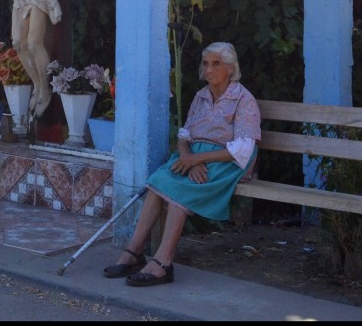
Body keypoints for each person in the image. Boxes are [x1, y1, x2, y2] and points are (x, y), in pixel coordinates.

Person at [102, 41, 261, 286]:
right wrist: (188, 157)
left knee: (179, 194)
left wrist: (196, 159)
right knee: (158, 183)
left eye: (216, 64)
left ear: (230, 68)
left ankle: (163, 264)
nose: (208, 70)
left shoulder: (243, 99)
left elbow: (242, 149)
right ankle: (134, 252)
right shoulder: (201, 96)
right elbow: (184, 135)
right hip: (196, 156)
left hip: (226, 161)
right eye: (206, 64)